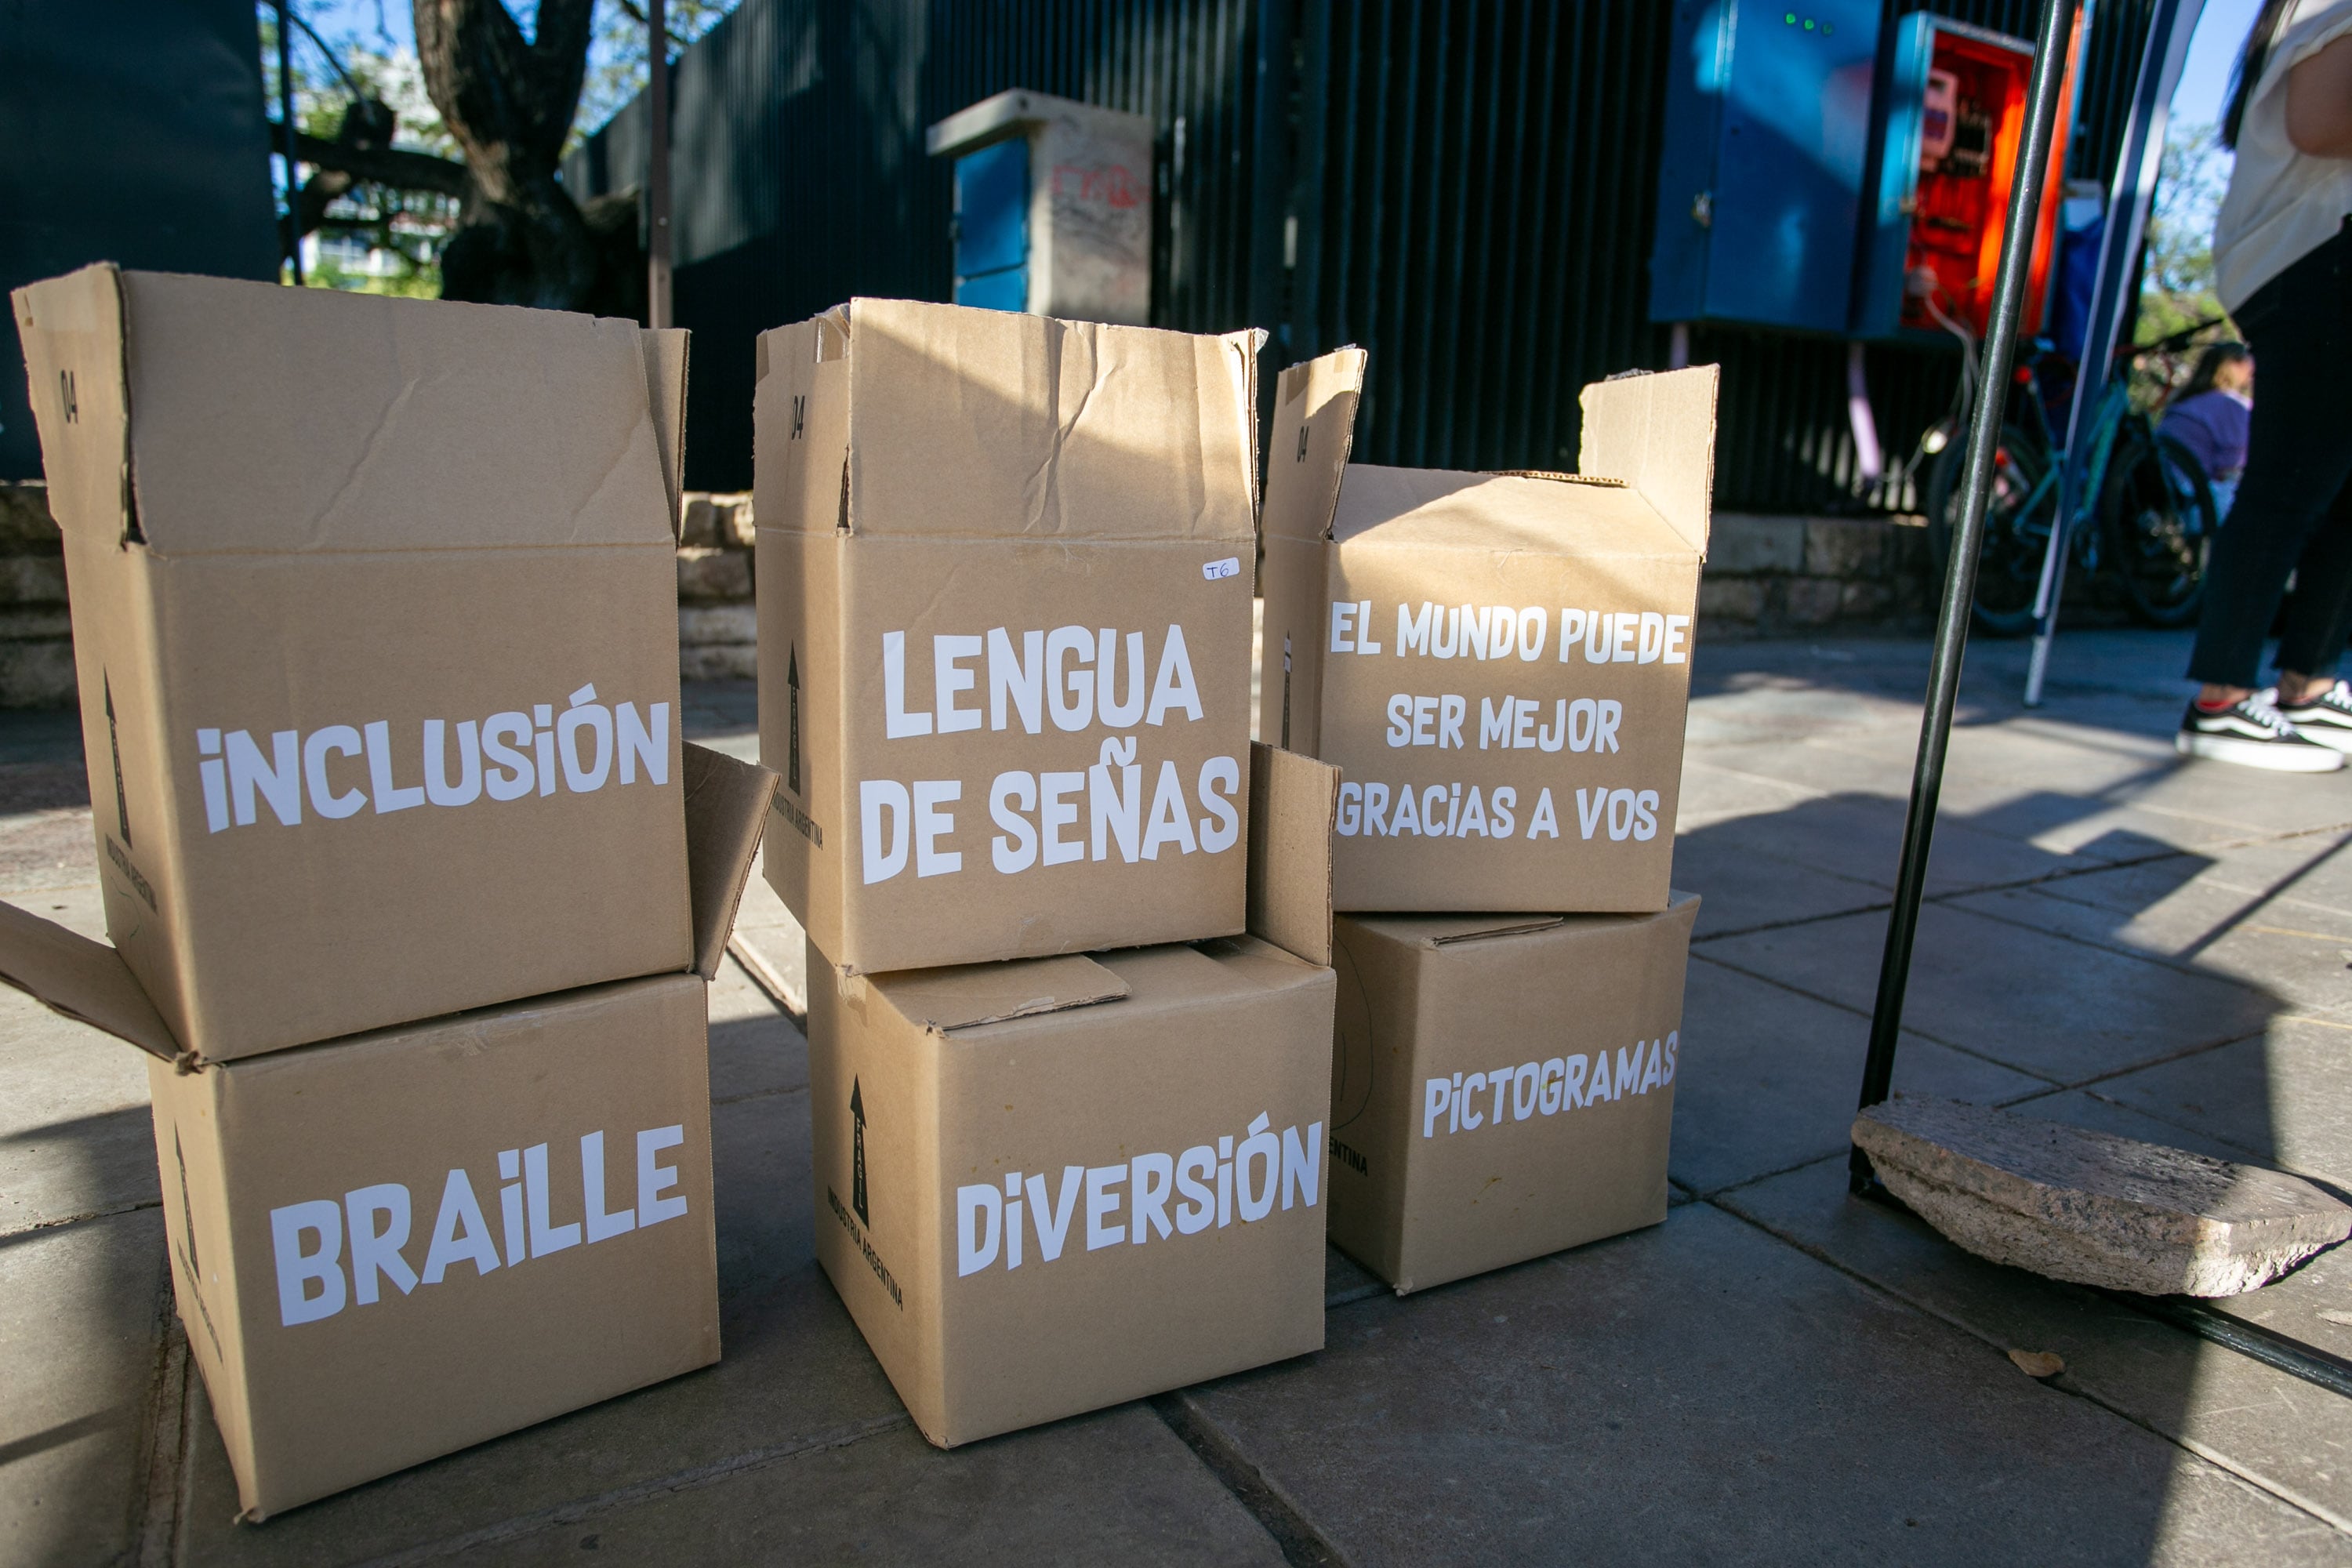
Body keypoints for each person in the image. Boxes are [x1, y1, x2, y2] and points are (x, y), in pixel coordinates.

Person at [2177, 0, 2352, 770]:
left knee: (2339, 487)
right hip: (2314, 257)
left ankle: (2305, 684)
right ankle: (2219, 697)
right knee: (2290, 479)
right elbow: (2318, 125)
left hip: (2316, 255)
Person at [2156, 342, 2253, 517]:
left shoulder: (2182, 400)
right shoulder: (2233, 406)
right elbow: (2230, 468)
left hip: (2160, 484)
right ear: (2236, 365)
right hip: (2194, 499)